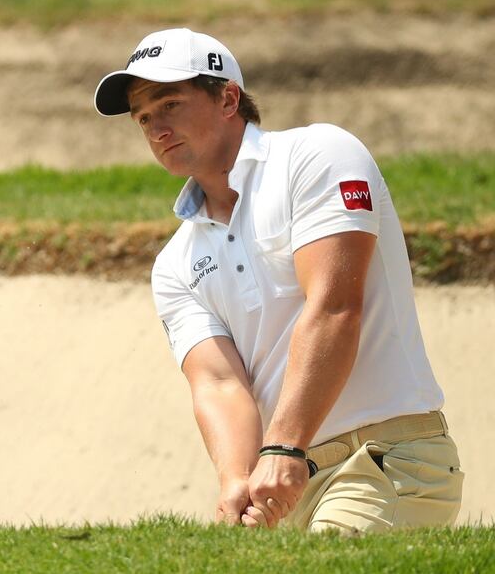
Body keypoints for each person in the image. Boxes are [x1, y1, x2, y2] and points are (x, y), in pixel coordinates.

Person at [94, 28, 463, 533]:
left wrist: (284, 446)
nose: (156, 128)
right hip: (285, 485)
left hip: (381, 458)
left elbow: (335, 308)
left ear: (228, 98)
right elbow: (220, 382)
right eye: (143, 117)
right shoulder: (175, 262)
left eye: (170, 104)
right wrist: (236, 479)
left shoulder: (318, 155)